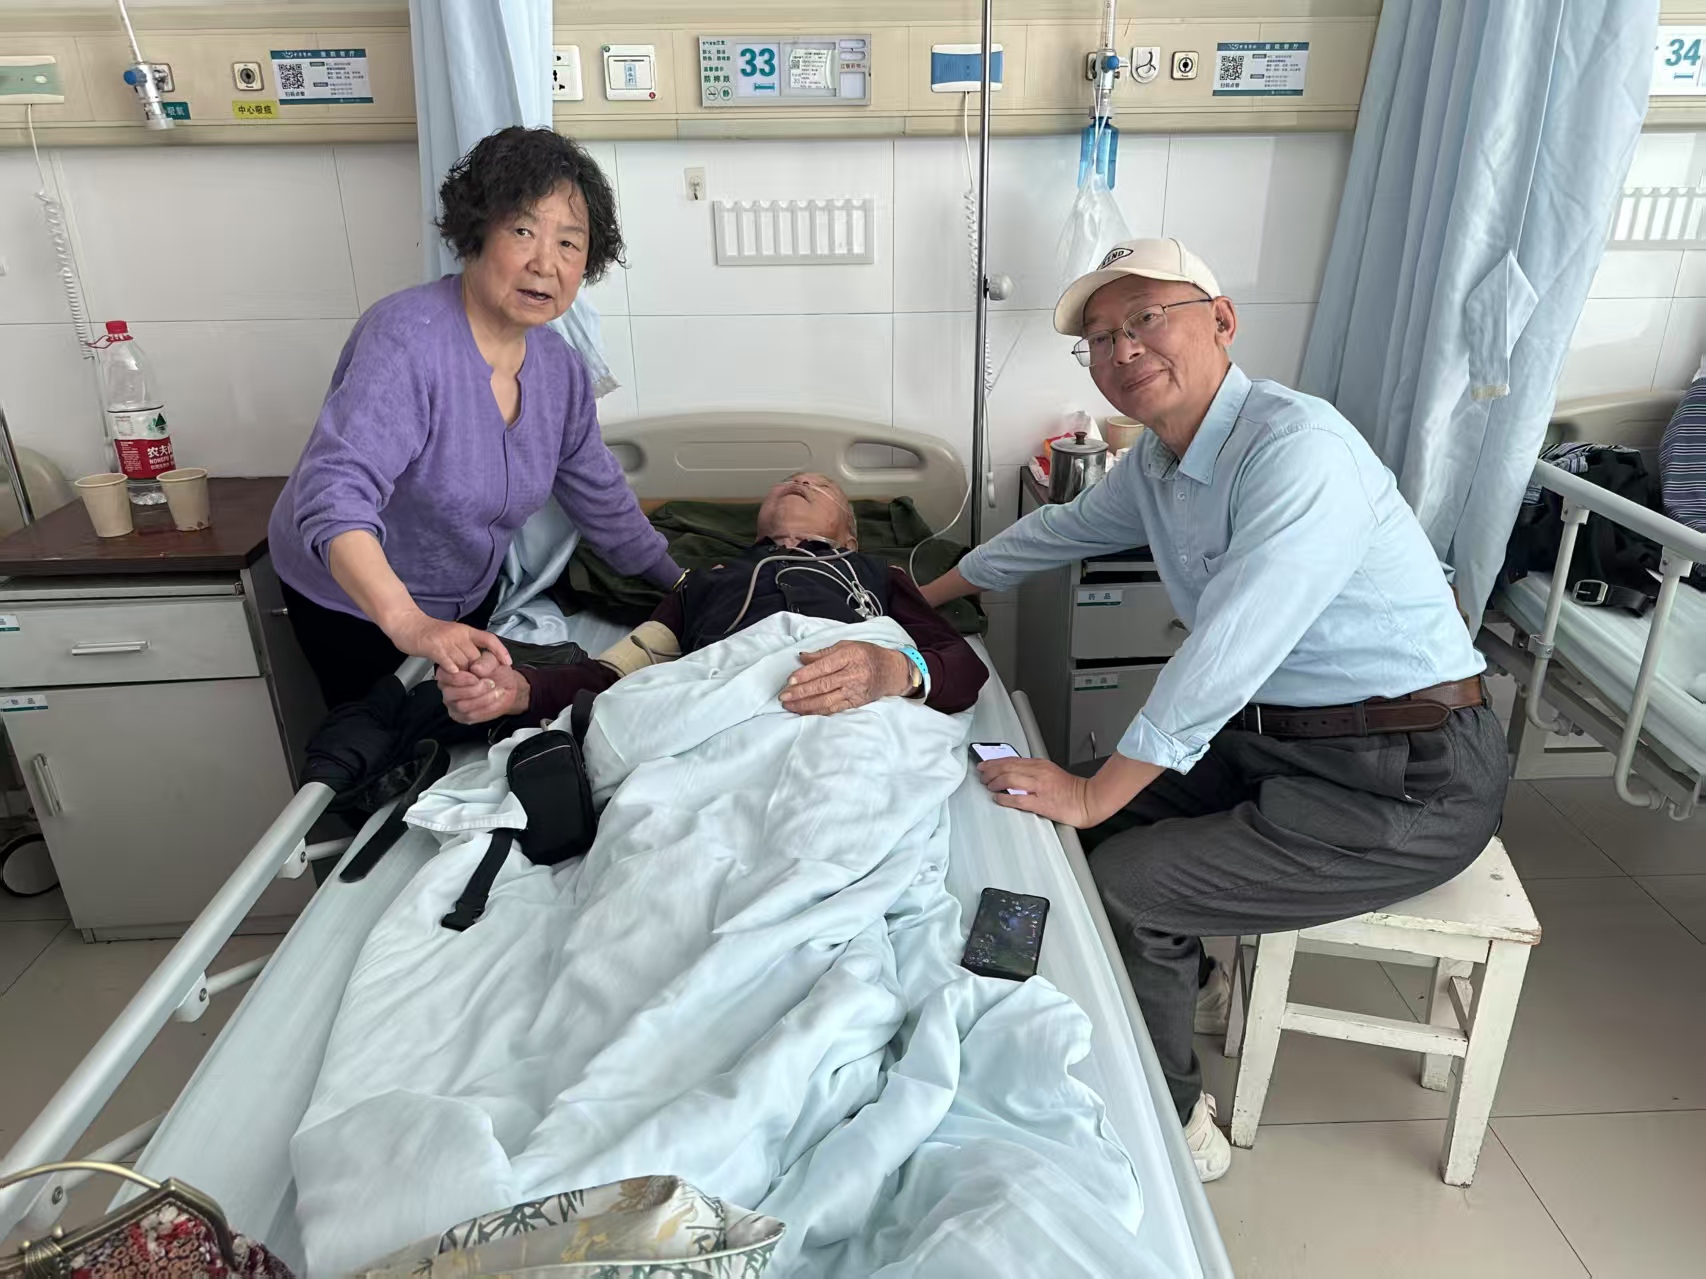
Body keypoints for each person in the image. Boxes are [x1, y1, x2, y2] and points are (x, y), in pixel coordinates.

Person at [921, 238, 1507, 1183]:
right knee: (1074, 828)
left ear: (1222, 320)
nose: (1123, 349)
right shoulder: (1159, 464)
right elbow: (1057, 531)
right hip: (1281, 747)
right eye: (1101, 338)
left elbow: (1228, 649)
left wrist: (1095, 791)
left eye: (1146, 318)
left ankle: (1178, 1122)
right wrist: (919, 599)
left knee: (1129, 878)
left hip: (1409, 777)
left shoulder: (1297, 449)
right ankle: (1187, 981)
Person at [269, 126, 681, 708]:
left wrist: (680, 581)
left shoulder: (559, 369)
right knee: (373, 737)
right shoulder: (409, 342)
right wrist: (409, 622)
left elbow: (599, 494)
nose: (545, 263)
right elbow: (335, 497)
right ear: (476, 235)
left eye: (569, 243)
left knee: (460, 727)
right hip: (355, 605)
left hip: (464, 598)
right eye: (522, 231)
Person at [439, 472, 987, 726]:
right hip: (716, 717)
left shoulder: (874, 573)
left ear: (849, 536)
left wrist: (893, 671)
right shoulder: (705, 582)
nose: (798, 481)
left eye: (820, 486)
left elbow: (961, 667)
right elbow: (617, 674)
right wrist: (524, 689)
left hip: (847, 718)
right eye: (785, 482)